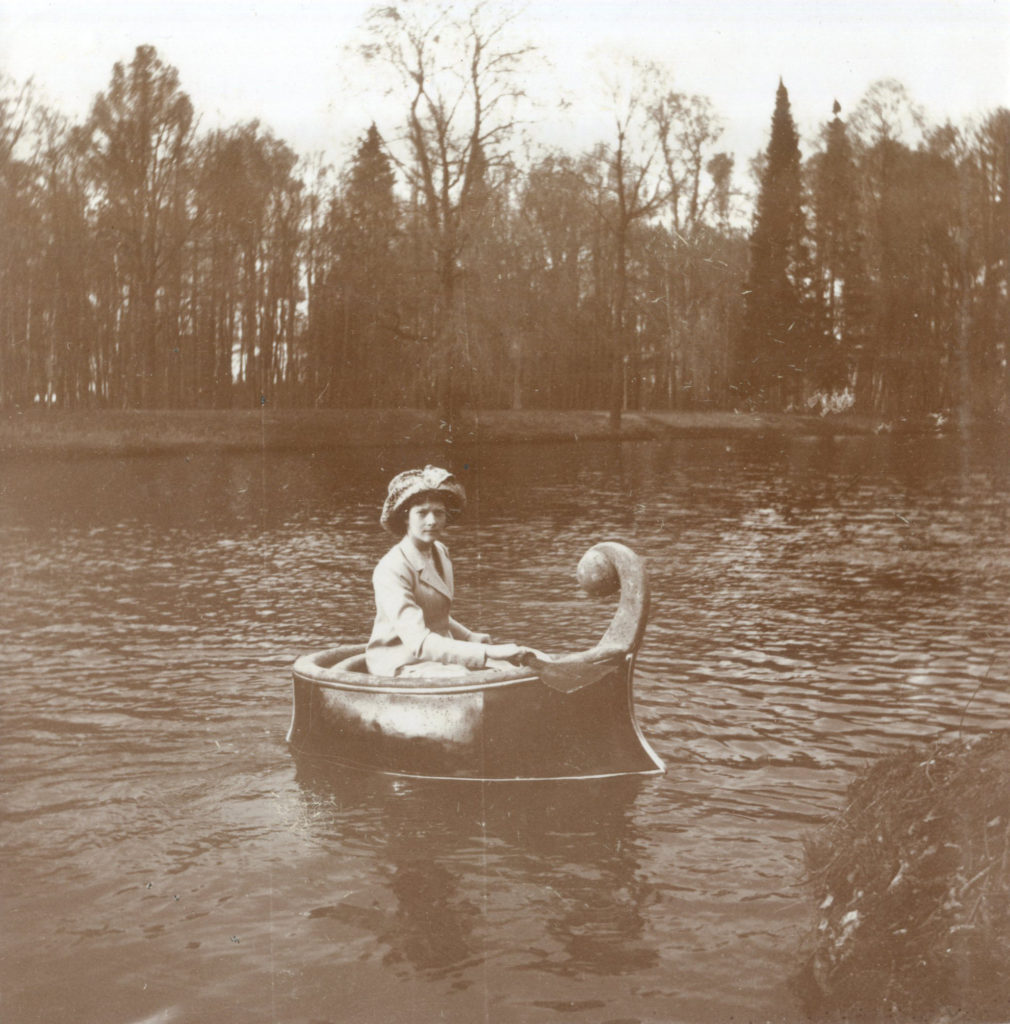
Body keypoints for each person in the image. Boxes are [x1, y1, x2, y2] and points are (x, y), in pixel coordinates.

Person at [365, 465, 528, 677]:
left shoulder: (440, 551)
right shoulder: (391, 568)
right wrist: (486, 652)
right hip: (401, 663)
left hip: (435, 656)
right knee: (466, 676)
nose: (432, 521)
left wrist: (469, 636)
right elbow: (419, 642)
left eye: (439, 513)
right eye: (422, 513)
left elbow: (434, 615)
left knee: (524, 662)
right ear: (406, 517)